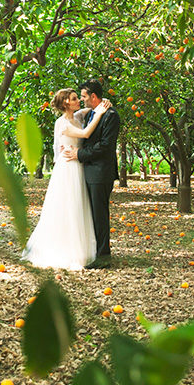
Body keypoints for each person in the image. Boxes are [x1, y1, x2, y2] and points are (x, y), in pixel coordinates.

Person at [21, 88, 110, 270]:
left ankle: (82, 248)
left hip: (78, 165)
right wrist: (100, 114)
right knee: (68, 206)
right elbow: (85, 134)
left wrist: (101, 103)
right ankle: (66, 250)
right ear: (65, 103)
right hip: (68, 167)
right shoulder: (62, 123)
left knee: (79, 206)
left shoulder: (77, 117)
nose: (79, 101)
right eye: (75, 98)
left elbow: (90, 107)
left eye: (79, 97)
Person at [62, 80, 120, 268]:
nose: (82, 99)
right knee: (91, 214)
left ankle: (103, 257)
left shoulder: (111, 116)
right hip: (87, 171)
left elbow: (104, 146)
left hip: (100, 173)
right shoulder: (90, 114)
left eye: (84, 96)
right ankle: (92, 251)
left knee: (99, 215)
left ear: (93, 97)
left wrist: (79, 154)